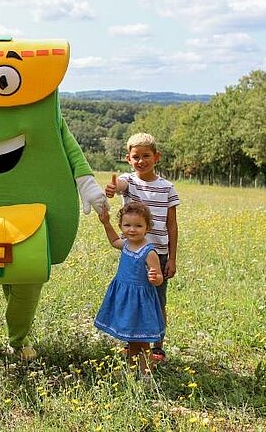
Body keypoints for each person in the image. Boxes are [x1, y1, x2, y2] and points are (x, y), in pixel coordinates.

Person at [104, 132, 179, 362]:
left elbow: (172, 225)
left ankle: (157, 346)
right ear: (128, 158)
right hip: (134, 255)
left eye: (146, 156)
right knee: (134, 299)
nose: (141, 161)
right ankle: (133, 342)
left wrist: (173, 259)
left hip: (159, 255)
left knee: (157, 301)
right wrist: (114, 188)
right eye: (135, 156)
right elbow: (121, 185)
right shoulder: (130, 182)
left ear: (157, 157)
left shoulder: (167, 188)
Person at [94, 202, 165, 376]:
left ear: (147, 228)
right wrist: (105, 223)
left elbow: (159, 279)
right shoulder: (125, 244)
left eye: (138, 226)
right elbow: (113, 241)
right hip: (125, 298)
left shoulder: (149, 252)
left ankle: (146, 374)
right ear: (121, 226)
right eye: (127, 225)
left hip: (140, 302)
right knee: (132, 339)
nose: (132, 230)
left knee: (142, 342)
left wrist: (155, 278)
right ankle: (133, 371)